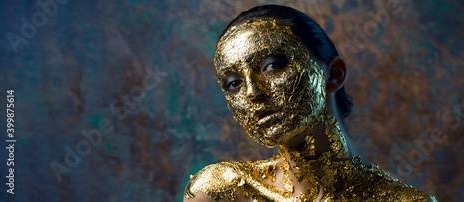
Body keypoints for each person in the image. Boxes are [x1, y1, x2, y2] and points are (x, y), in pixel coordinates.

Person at [184, 5, 436, 201]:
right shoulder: (220, 194)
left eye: (272, 66)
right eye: (233, 83)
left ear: (333, 74)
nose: (252, 93)